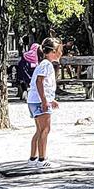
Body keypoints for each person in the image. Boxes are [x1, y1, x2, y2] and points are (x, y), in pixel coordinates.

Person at [26, 38, 63, 169]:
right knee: (45, 130)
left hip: (33, 100)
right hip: (39, 101)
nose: (61, 53)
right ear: (53, 51)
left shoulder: (43, 64)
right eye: (59, 51)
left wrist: (50, 99)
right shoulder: (46, 65)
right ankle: (42, 159)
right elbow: (39, 82)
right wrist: (44, 101)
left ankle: (33, 158)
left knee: (39, 130)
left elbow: (44, 85)